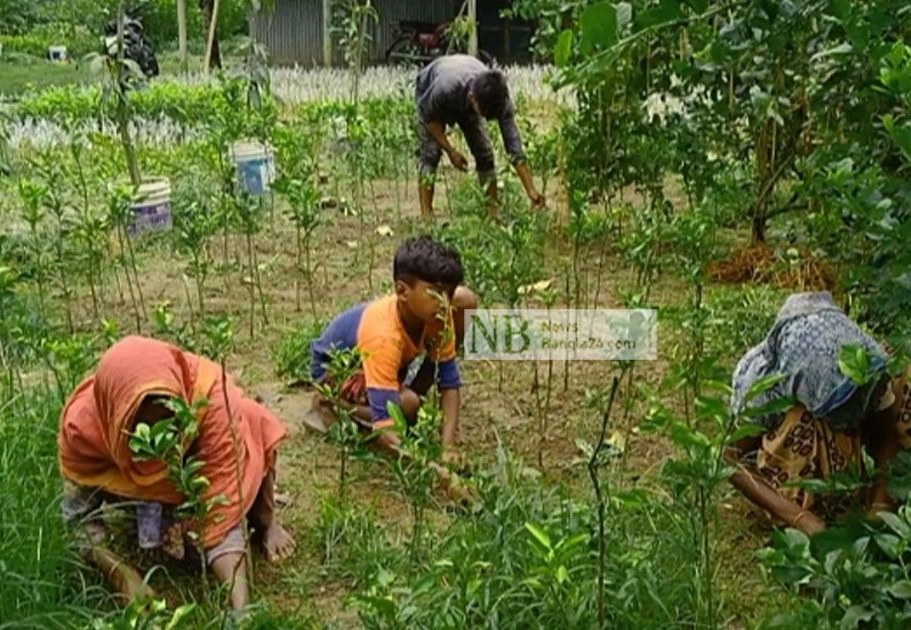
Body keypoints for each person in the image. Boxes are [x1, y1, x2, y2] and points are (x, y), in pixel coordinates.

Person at [58, 336, 295, 610]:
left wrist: (240, 609)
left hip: (202, 476)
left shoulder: (211, 403)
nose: (165, 446)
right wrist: (121, 574)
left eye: (171, 427)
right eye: (145, 432)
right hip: (152, 493)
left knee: (248, 416)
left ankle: (266, 521)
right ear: (118, 420)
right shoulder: (84, 431)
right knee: (187, 549)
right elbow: (78, 521)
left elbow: (220, 513)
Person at [724, 292, 911, 535]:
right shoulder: (763, 388)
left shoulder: (861, 362)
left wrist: (880, 505)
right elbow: (731, 460)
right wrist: (801, 518)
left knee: (905, 379)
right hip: (784, 481)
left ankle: (908, 487)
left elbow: (887, 432)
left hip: (850, 452)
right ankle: (819, 508)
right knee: (800, 420)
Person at [307, 236, 477, 482]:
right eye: (437, 293)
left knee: (466, 301)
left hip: (384, 361)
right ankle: (330, 405)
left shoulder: (437, 312)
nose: (446, 303)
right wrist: (438, 476)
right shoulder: (383, 336)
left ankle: (391, 390)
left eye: (449, 293)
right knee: (407, 404)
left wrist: (448, 447)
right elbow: (384, 431)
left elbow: (449, 384)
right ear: (401, 291)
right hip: (333, 369)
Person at [416, 54, 546, 217]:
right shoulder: (445, 88)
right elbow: (429, 120)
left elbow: (513, 145)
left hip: (463, 87)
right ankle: (426, 215)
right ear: (473, 99)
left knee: (484, 153)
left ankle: (493, 212)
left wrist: (531, 190)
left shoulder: (499, 98)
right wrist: (451, 151)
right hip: (431, 87)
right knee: (430, 153)